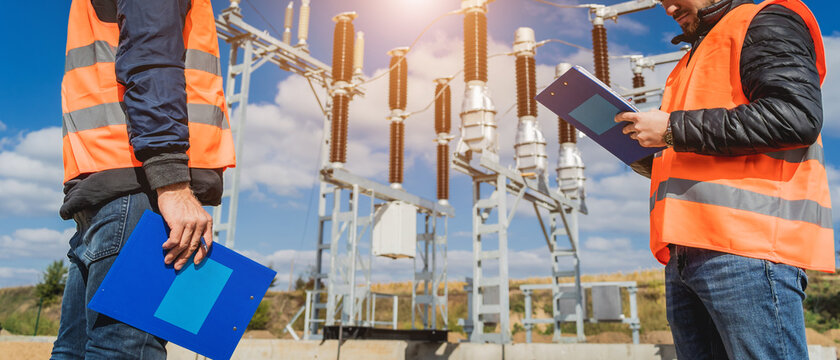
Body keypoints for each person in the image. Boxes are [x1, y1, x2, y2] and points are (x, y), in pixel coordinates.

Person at [615, 0, 833, 358]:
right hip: (685, 254)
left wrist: (670, 128)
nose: (668, 9)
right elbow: (700, 150)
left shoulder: (764, 19)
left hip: (747, 250)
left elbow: (796, 116)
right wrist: (645, 151)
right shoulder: (689, 62)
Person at [53, 0, 235, 358]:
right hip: (141, 192)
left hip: (102, 193)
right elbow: (151, 60)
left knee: (75, 351)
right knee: (125, 350)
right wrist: (172, 183)